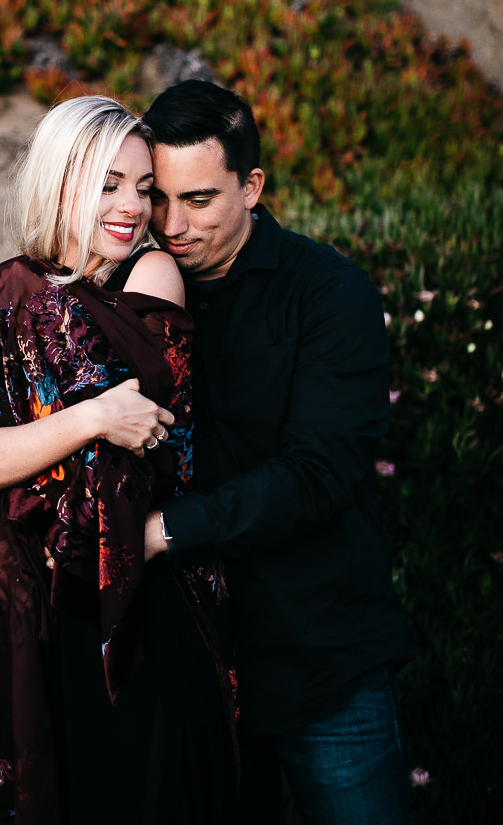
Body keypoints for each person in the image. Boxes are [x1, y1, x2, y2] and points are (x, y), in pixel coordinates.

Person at [0, 95, 239, 825]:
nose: (132, 206)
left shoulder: (153, 279)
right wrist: (93, 416)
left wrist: (48, 444)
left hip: (140, 603)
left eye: (144, 188)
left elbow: (156, 444)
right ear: (60, 180)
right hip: (39, 622)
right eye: (108, 184)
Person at [139, 79, 413, 825]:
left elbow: (318, 476)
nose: (172, 224)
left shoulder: (329, 294)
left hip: (321, 663)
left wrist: (163, 532)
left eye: (198, 199)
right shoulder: (134, 294)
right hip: (192, 677)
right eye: (156, 198)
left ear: (252, 186)